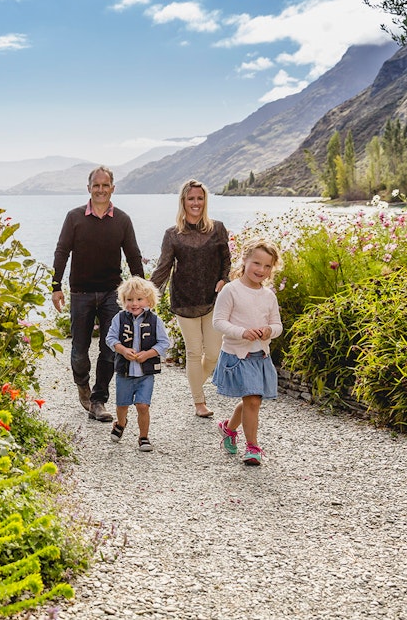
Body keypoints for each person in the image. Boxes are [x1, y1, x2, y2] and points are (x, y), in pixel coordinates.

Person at [52, 166, 145, 423]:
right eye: (96, 185)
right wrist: (56, 286)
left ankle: (98, 399)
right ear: (89, 188)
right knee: (79, 350)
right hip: (81, 292)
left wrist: (142, 292)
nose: (101, 190)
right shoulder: (74, 218)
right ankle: (83, 386)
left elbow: (133, 256)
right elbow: (62, 252)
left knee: (110, 348)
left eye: (106, 185)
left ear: (113, 188)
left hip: (111, 294)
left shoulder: (122, 220)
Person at [150, 179, 231, 419]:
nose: (196, 203)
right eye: (191, 198)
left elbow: (226, 259)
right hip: (184, 300)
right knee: (194, 352)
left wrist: (224, 279)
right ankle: (199, 401)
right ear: (183, 202)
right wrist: (146, 293)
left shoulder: (217, 228)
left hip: (213, 299)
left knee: (214, 354)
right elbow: (163, 268)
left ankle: (195, 383)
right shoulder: (172, 234)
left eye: (199, 198)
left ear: (205, 201)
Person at [212, 238, 282, 466]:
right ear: (244, 260)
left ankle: (229, 428)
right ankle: (253, 447)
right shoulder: (231, 290)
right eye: (257, 263)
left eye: (267, 266)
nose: (261, 270)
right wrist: (242, 332)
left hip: (260, 356)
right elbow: (218, 322)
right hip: (237, 356)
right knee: (252, 400)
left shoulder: (269, 296)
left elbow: (278, 326)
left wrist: (268, 330)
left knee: (253, 399)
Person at [105, 276, 171, 452]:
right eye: (129, 299)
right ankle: (120, 422)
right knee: (122, 405)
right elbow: (110, 338)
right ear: (123, 301)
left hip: (145, 373)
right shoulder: (119, 319)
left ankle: (143, 437)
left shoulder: (155, 320)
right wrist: (123, 350)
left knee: (143, 405)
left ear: (149, 300)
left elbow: (164, 343)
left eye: (139, 299)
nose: (135, 303)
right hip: (124, 372)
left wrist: (149, 354)